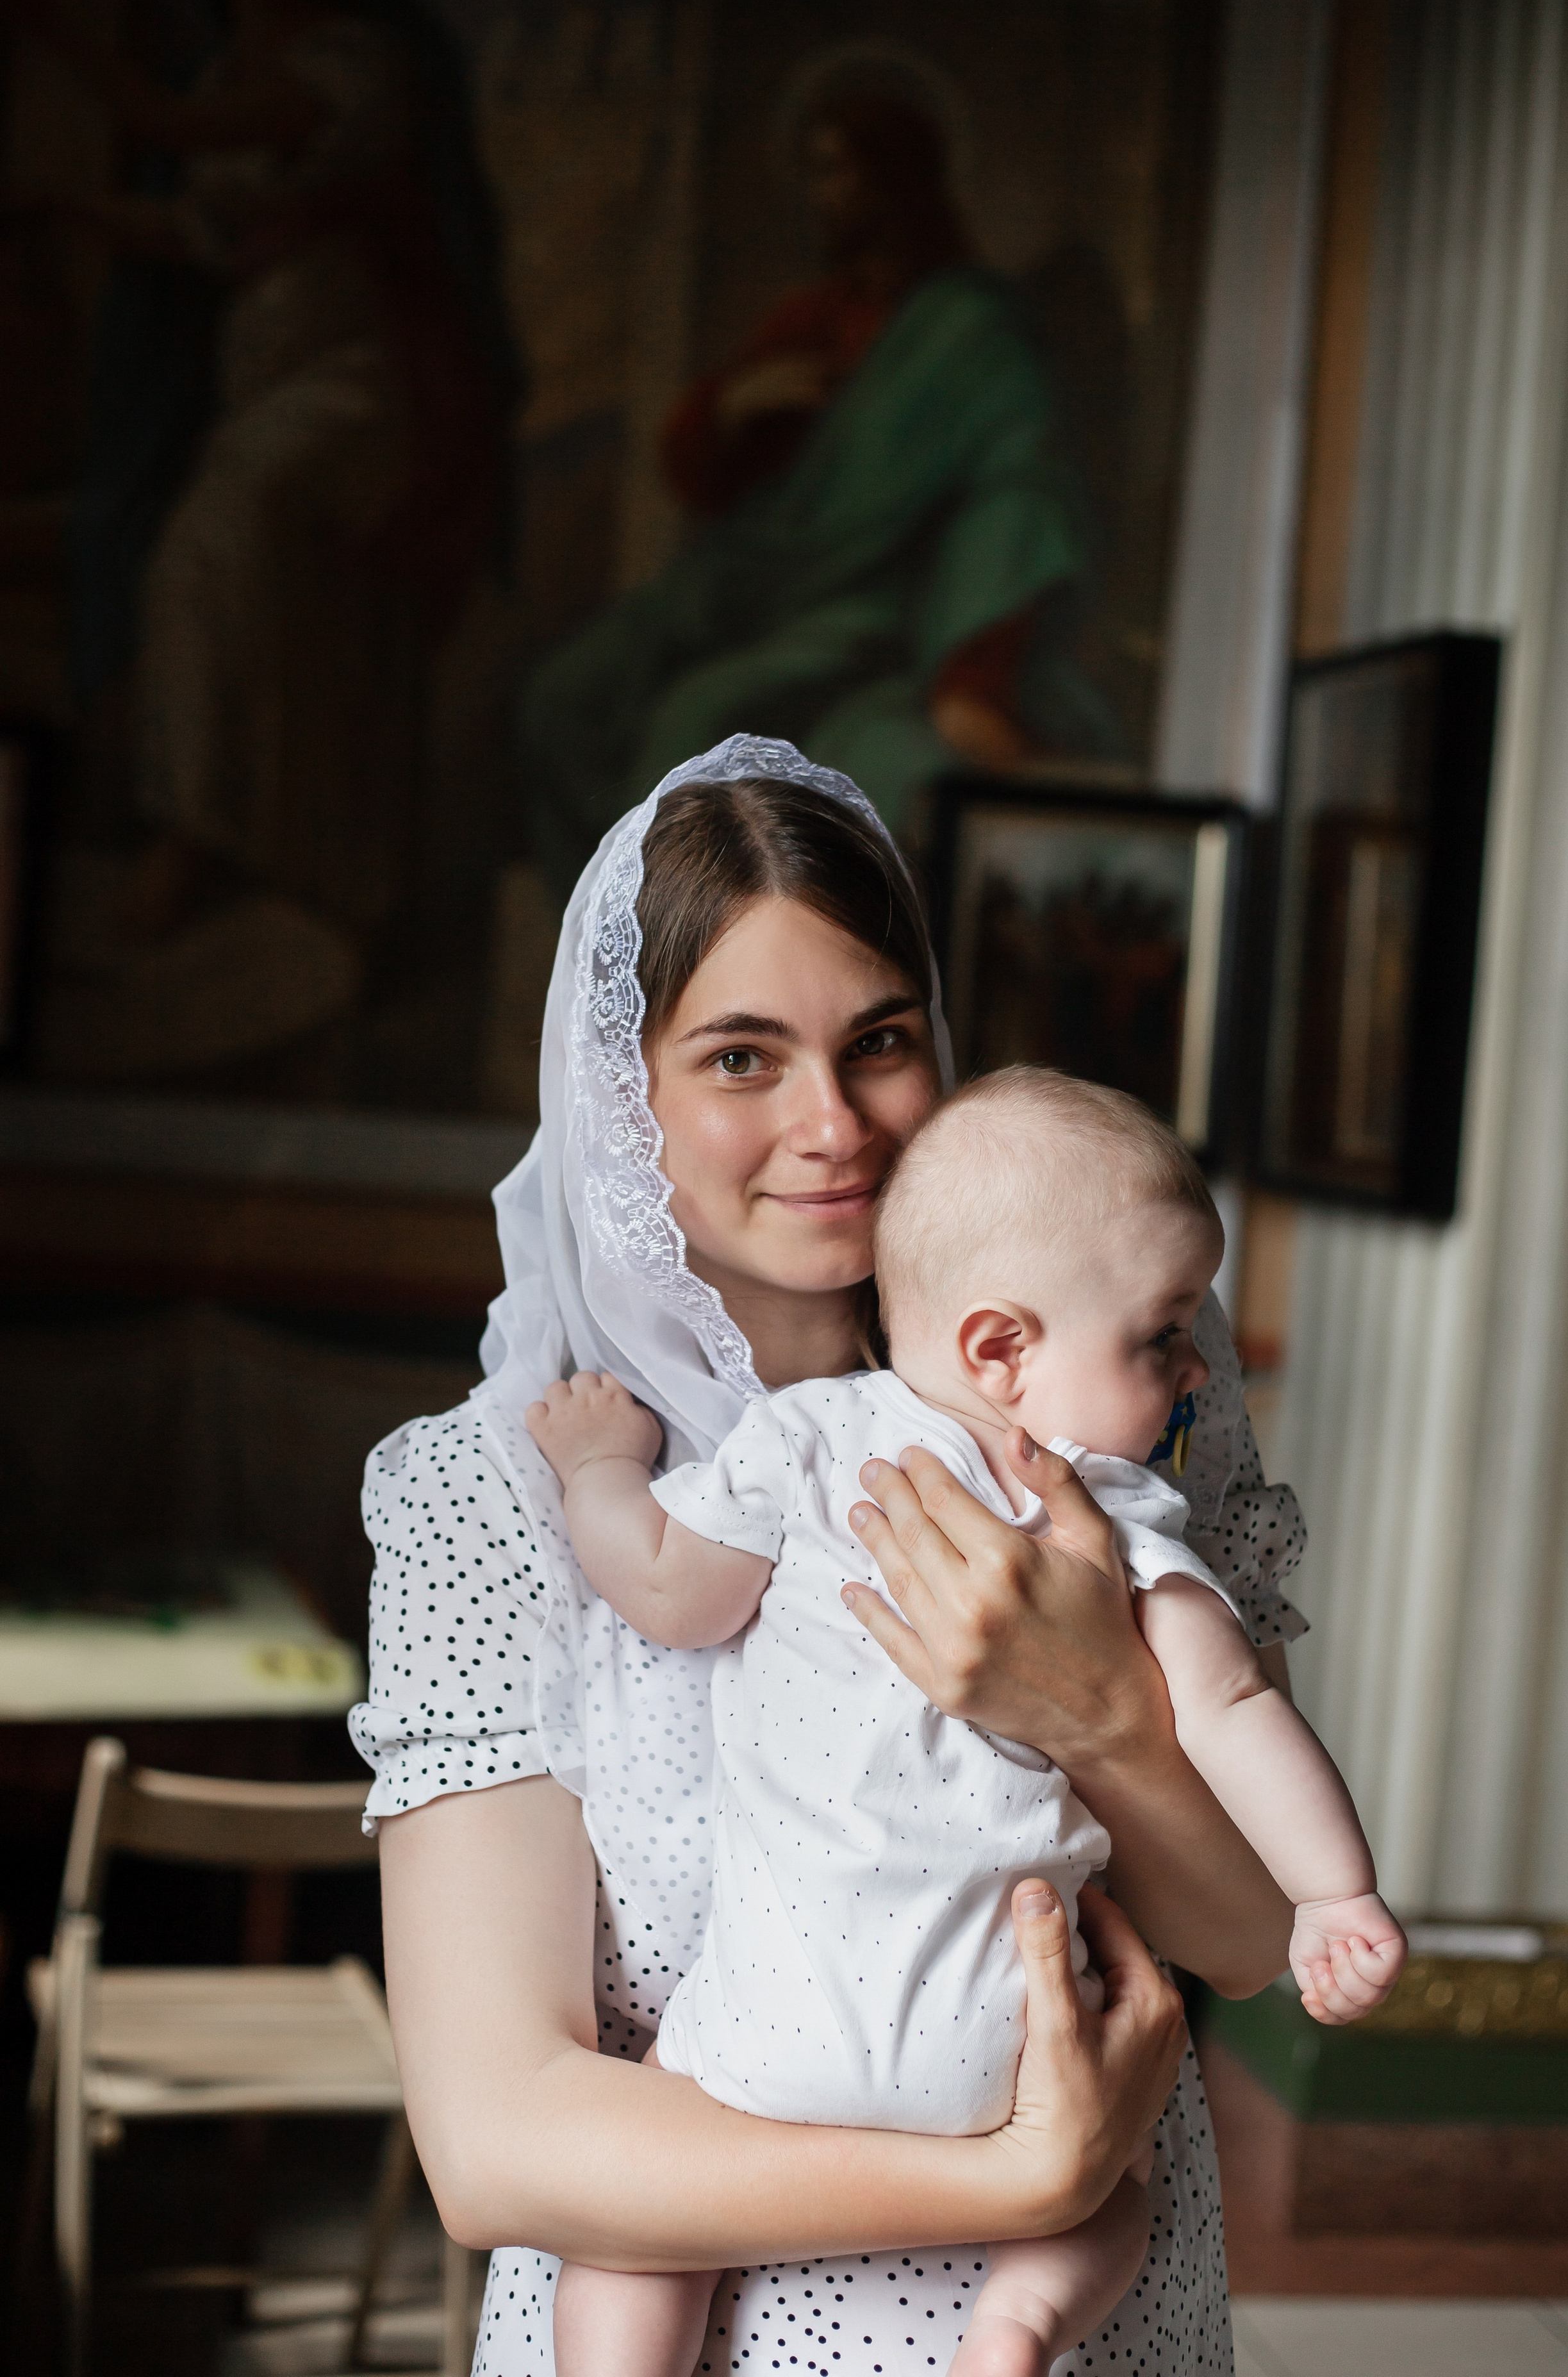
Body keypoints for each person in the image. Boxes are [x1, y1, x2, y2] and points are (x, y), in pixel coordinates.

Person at [353, 736, 1308, 2374]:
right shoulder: (488, 1496)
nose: (831, 1123)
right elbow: (495, 2138)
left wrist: (1090, 1711)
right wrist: (1020, 2169)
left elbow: (1244, 1937)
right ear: (619, 1094)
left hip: (1088, 2333)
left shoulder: (1100, 1387)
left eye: (878, 1041)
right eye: (739, 1056)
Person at [527, 1068, 1401, 2377]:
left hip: (774, 2035)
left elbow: (667, 1592)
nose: (1190, 1371)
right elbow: (1224, 1709)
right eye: (1160, 1335)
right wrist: (1337, 1895)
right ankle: (1014, 2328)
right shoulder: (1114, 1524)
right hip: (1003, 2054)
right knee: (1113, 2203)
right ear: (1000, 1350)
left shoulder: (811, 1442)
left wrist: (598, 1469)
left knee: (625, 2236)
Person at [29, 0, 511, 956]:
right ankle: (308, 863)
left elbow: (183, 133)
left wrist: (61, 43)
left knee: (216, 541)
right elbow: (201, 229)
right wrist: (70, 207)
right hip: (266, 388)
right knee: (288, 602)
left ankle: (192, 841)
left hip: (365, 390)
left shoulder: (356, 61)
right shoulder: (221, 79)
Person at [518, 85, 1123, 908]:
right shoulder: (814, 316)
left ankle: (678, 981)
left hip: (872, 606)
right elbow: (703, 475)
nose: (825, 196)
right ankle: (602, 975)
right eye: (814, 174)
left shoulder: (967, 330)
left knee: (690, 721)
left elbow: (1017, 484)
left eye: (840, 172)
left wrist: (974, 675)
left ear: (898, 179)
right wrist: (737, 405)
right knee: (565, 698)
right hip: (757, 585)